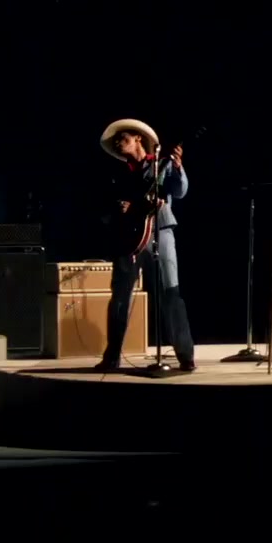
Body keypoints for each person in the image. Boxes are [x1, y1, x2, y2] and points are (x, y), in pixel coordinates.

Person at [97, 118, 195, 373]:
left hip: (160, 232)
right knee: (120, 297)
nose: (118, 144)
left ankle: (185, 355)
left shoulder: (160, 165)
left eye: (123, 139)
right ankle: (112, 356)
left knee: (170, 293)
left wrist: (178, 167)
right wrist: (119, 208)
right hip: (127, 239)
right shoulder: (117, 173)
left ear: (138, 138)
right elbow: (103, 210)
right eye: (115, 142)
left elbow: (180, 191)